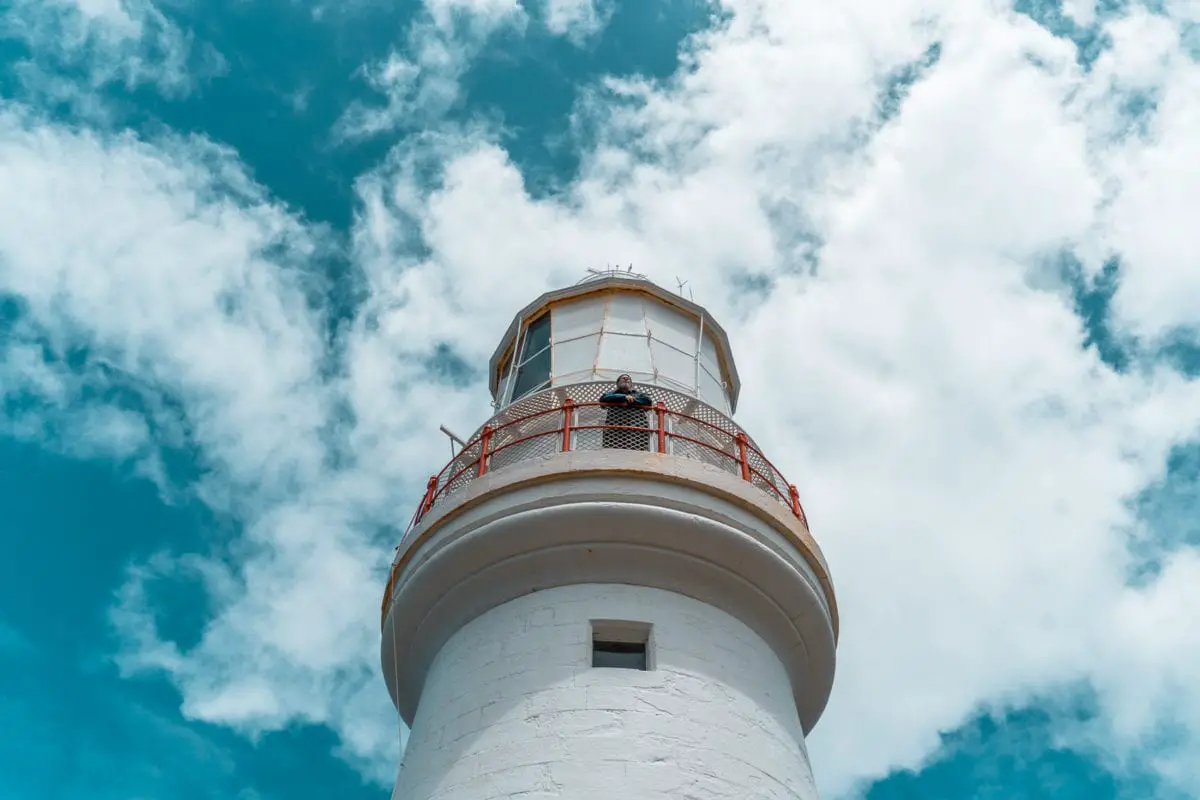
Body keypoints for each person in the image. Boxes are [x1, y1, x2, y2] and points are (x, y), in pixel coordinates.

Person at [599, 374, 653, 450]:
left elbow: (648, 401)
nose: (625, 379)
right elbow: (604, 398)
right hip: (614, 430)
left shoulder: (639, 394)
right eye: (622, 378)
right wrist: (623, 397)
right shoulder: (611, 394)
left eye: (628, 379)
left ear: (631, 384)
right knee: (613, 452)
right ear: (617, 384)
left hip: (637, 431)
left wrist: (632, 400)